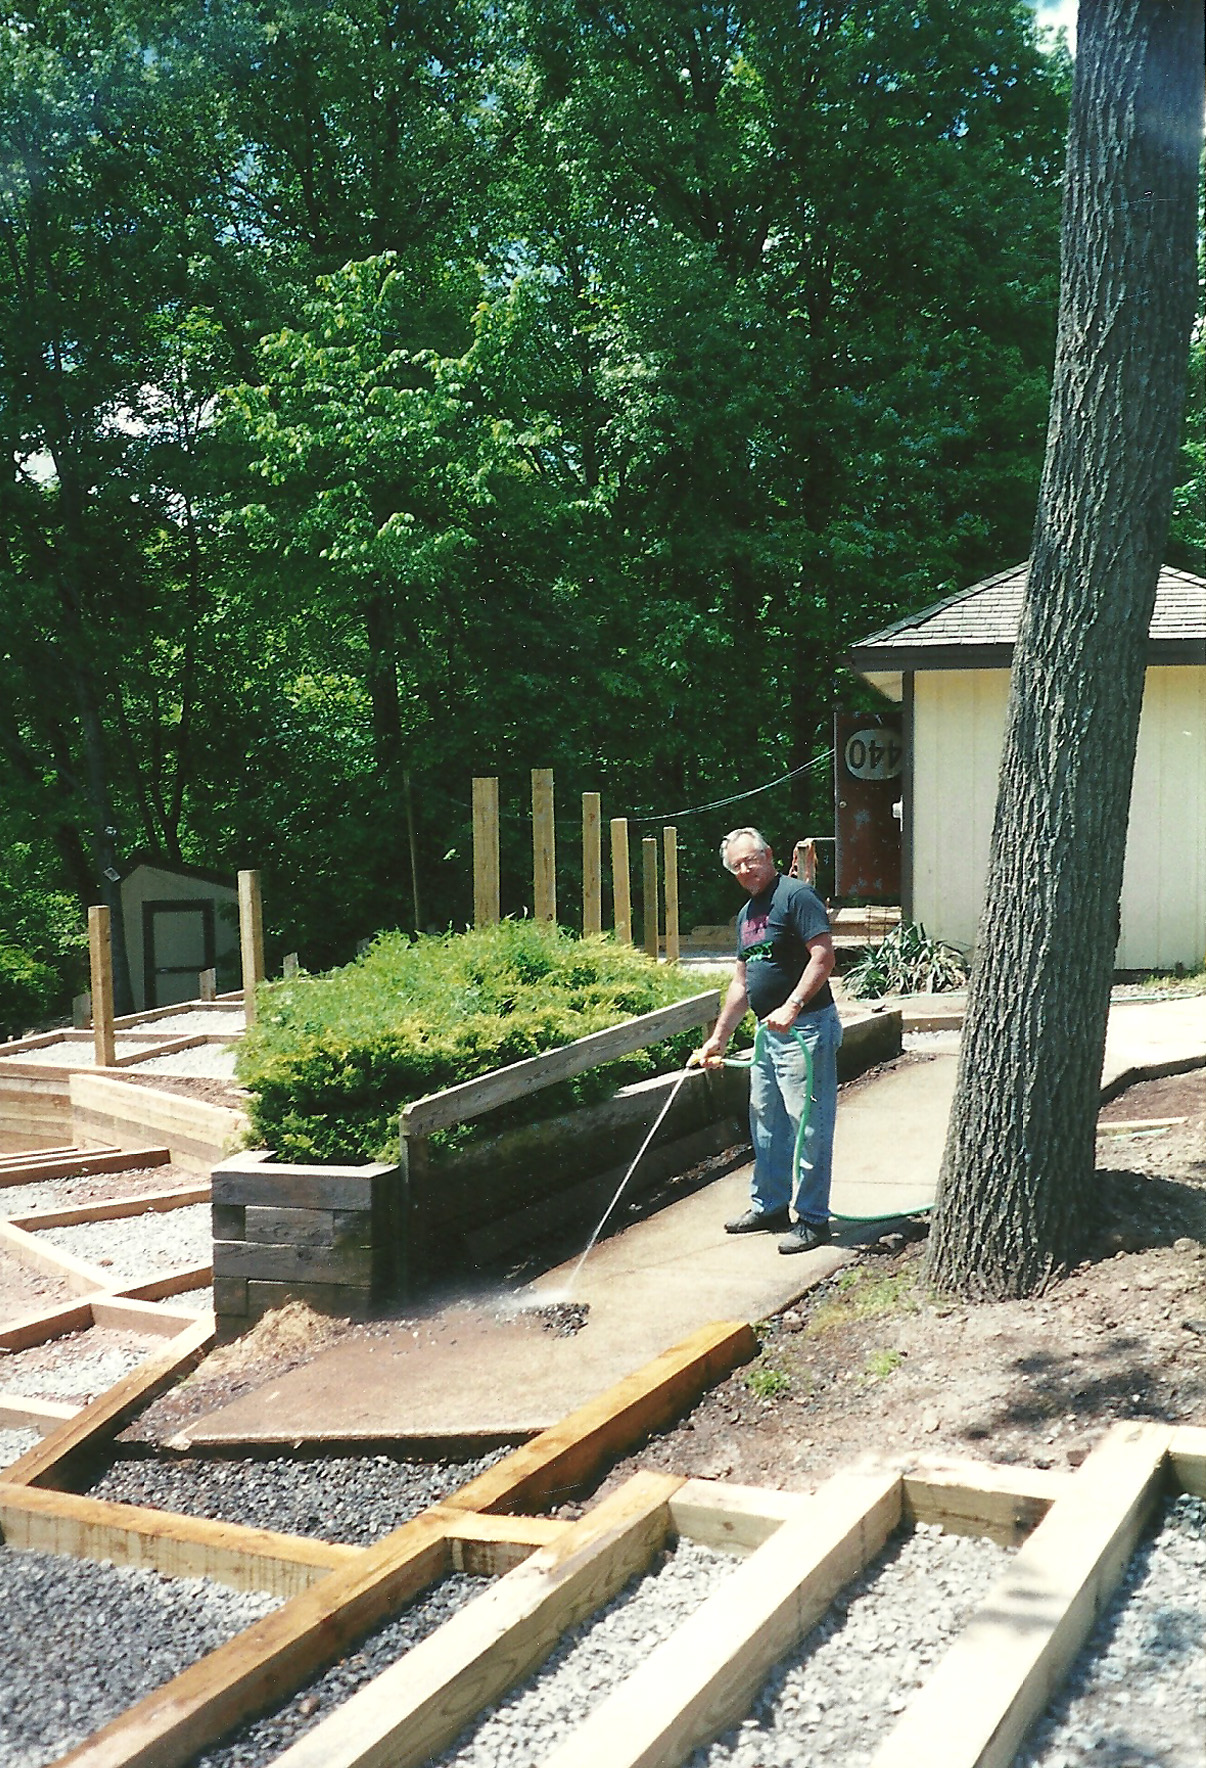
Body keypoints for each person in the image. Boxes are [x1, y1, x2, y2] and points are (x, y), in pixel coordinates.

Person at [693, 826, 842, 1254]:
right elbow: (742, 982)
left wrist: (792, 1005)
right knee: (766, 1122)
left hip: (806, 1028)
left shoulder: (797, 897)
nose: (745, 870)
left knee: (808, 1126)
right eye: (737, 866)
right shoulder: (747, 915)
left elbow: (823, 957)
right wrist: (719, 1038)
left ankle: (813, 1219)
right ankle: (770, 1206)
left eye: (751, 860)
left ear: (768, 855)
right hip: (767, 1034)